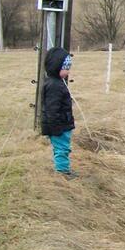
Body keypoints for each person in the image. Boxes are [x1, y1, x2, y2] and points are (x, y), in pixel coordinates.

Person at [41, 47, 76, 178]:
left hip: (62, 124)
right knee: (62, 149)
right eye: (66, 67)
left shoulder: (56, 82)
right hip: (59, 127)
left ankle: (62, 168)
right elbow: (51, 109)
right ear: (56, 67)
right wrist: (56, 129)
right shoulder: (54, 86)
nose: (68, 71)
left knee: (62, 148)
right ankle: (62, 172)